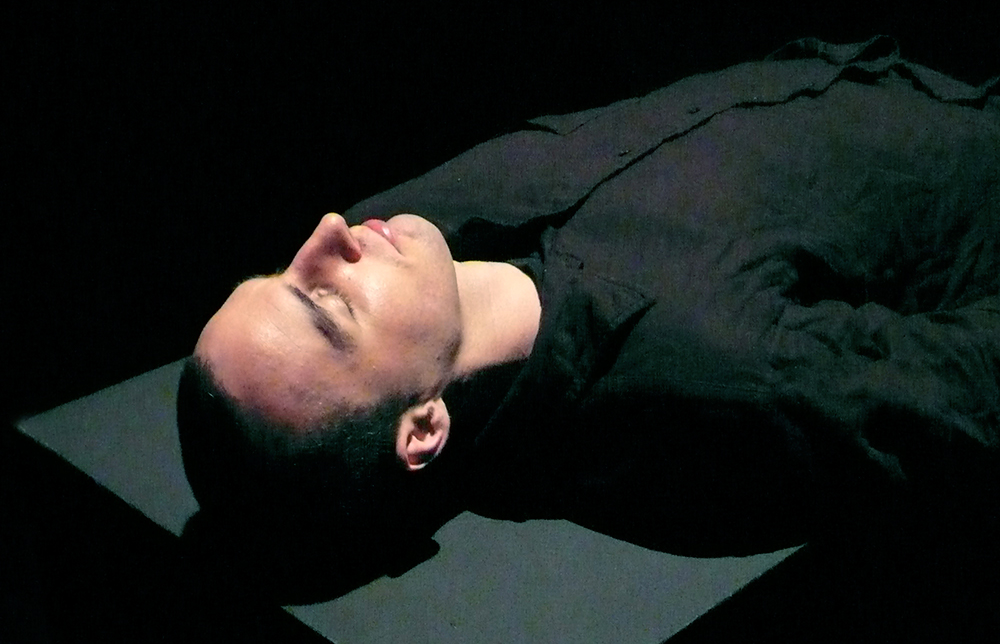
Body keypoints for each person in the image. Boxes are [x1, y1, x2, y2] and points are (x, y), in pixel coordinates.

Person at [177, 36, 1000, 566]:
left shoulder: (399, 230)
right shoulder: (710, 374)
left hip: (900, 70)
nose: (327, 234)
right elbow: (967, 388)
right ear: (422, 427)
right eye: (328, 305)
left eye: (283, 272)